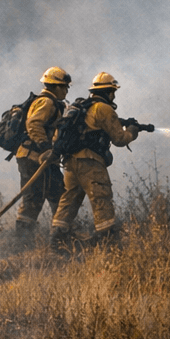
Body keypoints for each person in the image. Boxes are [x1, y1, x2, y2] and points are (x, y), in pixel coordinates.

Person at [49, 71, 140, 246]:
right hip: (89, 162)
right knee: (101, 196)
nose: (114, 96)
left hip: (69, 162)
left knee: (69, 199)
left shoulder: (80, 108)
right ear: (109, 92)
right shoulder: (103, 108)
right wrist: (132, 132)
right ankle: (107, 240)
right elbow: (119, 139)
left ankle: (57, 240)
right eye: (113, 92)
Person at [13, 66, 70, 237]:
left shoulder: (50, 102)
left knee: (58, 192)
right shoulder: (47, 102)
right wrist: (45, 147)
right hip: (34, 158)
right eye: (65, 87)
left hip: (41, 158)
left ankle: (61, 234)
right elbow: (34, 124)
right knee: (33, 199)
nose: (67, 90)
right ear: (56, 86)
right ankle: (21, 240)